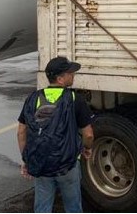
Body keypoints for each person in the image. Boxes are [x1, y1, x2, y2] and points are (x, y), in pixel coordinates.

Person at [17, 56, 94, 213]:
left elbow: (21, 132)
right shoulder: (74, 99)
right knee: (73, 207)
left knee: (42, 208)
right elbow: (89, 135)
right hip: (68, 164)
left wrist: (27, 159)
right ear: (60, 79)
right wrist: (87, 148)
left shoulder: (33, 98)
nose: (73, 75)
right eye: (70, 73)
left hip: (41, 162)